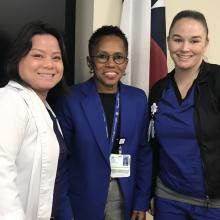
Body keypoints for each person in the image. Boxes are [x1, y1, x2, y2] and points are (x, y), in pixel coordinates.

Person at [55, 25, 152, 220]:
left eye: (118, 57)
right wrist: (63, 210)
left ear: (125, 63)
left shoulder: (138, 99)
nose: (110, 63)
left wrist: (141, 200)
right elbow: (60, 162)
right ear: (90, 62)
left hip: (123, 197)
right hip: (82, 200)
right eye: (102, 56)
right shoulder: (71, 99)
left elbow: (144, 153)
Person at [148, 10, 220, 220]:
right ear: (168, 41)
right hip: (168, 198)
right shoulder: (159, 90)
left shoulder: (217, 81)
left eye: (194, 41)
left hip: (213, 203)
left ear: (206, 43)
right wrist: (151, 192)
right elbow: (153, 146)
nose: (185, 48)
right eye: (178, 40)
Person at [0, 21, 68, 220]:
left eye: (56, 57)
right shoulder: (9, 100)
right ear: (17, 59)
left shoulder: (44, 107)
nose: (49, 64)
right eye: (38, 55)